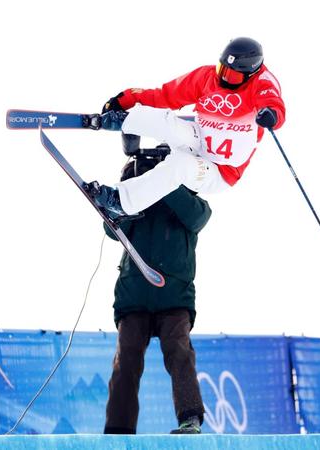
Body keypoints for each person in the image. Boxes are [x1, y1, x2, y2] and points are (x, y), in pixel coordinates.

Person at [94, 36, 286, 220]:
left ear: (250, 73)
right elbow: (166, 95)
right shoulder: (206, 77)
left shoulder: (262, 82)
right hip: (200, 139)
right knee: (167, 123)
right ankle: (121, 121)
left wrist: (272, 114)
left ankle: (121, 202)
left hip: (219, 170)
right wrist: (128, 97)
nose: (223, 78)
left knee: (179, 166)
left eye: (233, 76)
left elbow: (273, 102)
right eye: (222, 69)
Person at [103, 135, 212, 435]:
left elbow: (198, 217)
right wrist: (135, 187)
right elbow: (113, 229)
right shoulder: (137, 192)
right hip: (134, 295)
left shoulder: (191, 201)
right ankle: (118, 431)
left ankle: (190, 419)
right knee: (126, 362)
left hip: (174, 298)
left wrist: (164, 180)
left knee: (179, 354)